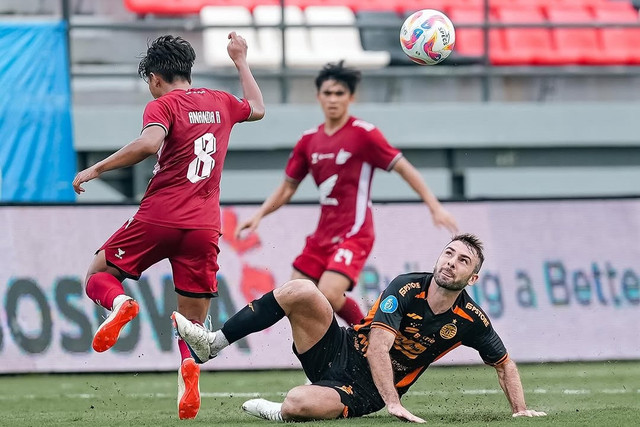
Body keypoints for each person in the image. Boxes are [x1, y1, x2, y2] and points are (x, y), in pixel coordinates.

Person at [72, 33, 265, 420]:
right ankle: (188, 368)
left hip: (159, 216)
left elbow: (148, 145)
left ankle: (121, 303)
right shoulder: (222, 102)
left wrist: (97, 167)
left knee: (97, 273)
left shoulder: (165, 104)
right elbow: (258, 108)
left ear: (156, 77)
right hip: (204, 226)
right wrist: (240, 59)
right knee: (193, 325)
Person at [173, 233, 546, 423]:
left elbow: (504, 363)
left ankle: (279, 411)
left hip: (364, 390)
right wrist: (396, 404)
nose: (451, 262)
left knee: (297, 402)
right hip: (340, 347)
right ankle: (214, 343)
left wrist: (520, 409)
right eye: (449, 253)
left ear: (473, 277)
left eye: (463, 260)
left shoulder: (471, 320)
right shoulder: (405, 287)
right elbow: (380, 347)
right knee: (301, 289)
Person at [235, 61, 458, 327]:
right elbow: (287, 188)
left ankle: (369, 337)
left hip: (355, 233)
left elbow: (404, 168)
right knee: (294, 295)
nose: (332, 99)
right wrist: (259, 215)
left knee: (328, 294)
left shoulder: (364, 135)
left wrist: (435, 206)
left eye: (339, 93)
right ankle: (325, 360)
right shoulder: (308, 140)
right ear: (318, 96)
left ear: (351, 97)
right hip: (321, 236)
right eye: (327, 93)